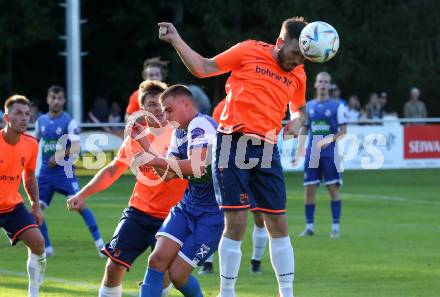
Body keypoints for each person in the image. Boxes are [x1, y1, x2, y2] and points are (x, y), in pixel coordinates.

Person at [158, 17, 308, 297]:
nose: (297, 60)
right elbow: (203, 67)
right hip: (231, 143)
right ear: (280, 42)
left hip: (267, 149)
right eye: (295, 53)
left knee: (278, 221)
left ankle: (286, 293)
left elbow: (299, 109)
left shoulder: (299, 73)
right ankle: (227, 291)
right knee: (236, 222)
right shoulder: (248, 50)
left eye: (303, 56)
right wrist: (176, 39)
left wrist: (298, 122)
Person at [66, 80, 188, 297]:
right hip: (139, 212)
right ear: (143, 109)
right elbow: (113, 170)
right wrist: (82, 194)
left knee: (164, 271)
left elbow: (183, 173)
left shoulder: (182, 135)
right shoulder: (135, 138)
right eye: (151, 104)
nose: (158, 108)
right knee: (114, 266)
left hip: (174, 215)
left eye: (161, 102)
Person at [136, 85, 224, 297]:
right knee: (156, 260)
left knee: (177, 275)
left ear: (186, 104)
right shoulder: (179, 131)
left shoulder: (201, 124)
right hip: (188, 206)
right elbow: (169, 174)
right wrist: (146, 146)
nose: (164, 116)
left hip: (213, 214)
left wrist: (154, 159)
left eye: (168, 110)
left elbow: (196, 166)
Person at [199, 98, 269, 275]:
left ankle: (256, 262)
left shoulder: (265, 102)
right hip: (230, 167)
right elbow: (216, 138)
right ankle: (207, 261)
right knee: (222, 217)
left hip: (254, 167)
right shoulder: (222, 106)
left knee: (261, 216)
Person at [35, 85, 104, 257]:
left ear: (64, 101)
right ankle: (47, 248)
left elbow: (75, 146)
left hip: (64, 173)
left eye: (59, 98)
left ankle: (101, 246)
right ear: (48, 99)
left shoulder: (68, 121)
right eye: (53, 98)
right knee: (36, 209)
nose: (56, 101)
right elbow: (33, 143)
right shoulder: (40, 121)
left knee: (79, 204)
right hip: (45, 174)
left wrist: (58, 155)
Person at [1, 95, 46, 297]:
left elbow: (28, 175)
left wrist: (35, 205)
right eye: (18, 113)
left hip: (11, 207)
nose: (24, 118)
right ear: (7, 118)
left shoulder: (31, 144)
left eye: (27, 114)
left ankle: (33, 294)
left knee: (38, 243)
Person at [297, 72, 348, 238]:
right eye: (321, 81)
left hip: (330, 153)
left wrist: (330, 139)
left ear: (329, 85)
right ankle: (309, 227)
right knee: (309, 189)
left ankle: (336, 227)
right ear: (316, 84)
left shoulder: (337, 106)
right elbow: (305, 128)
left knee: (333, 189)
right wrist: (299, 149)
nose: (323, 84)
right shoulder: (308, 106)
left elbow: (343, 131)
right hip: (312, 153)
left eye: (326, 82)